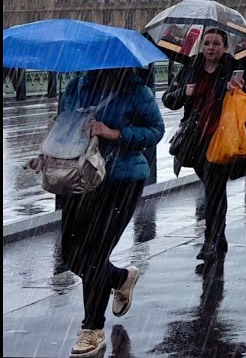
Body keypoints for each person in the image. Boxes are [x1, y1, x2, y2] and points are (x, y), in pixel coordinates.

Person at [40, 68, 165, 357]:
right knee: (72, 254)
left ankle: (92, 329)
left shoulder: (136, 91)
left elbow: (155, 131)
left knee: (95, 255)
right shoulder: (76, 88)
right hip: (79, 178)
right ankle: (120, 278)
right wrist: (49, 153)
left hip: (121, 179)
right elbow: (63, 127)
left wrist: (114, 133)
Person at [163, 28, 246, 262]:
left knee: (214, 190)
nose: (210, 48)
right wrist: (184, 92)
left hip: (221, 138)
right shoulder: (192, 68)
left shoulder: (234, 70)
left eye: (216, 44)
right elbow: (169, 100)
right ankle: (218, 238)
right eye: (206, 43)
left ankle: (211, 241)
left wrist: (239, 88)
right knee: (213, 190)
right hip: (196, 141)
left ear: (225, 47)